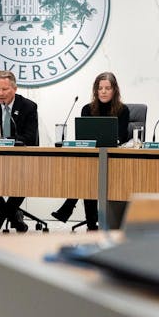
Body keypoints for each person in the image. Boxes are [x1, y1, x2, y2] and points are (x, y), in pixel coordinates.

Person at [51, 72, 130, 230]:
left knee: (89, 175)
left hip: (114, 159)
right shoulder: (87, 109)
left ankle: (84, 218)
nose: (103, 91)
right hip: (93, 157)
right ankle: (89, 221)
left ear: (114, 90)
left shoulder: (123, 110)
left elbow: (121, 137)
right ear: (96, 90)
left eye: (107, 88)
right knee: (89, 172)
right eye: (100, 88)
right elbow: (84, 137)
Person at [0, 70, 38, 233]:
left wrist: (7, 141)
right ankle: (13, 214)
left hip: (21, 159)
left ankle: (1, 215)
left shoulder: (28, 107)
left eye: (4, 89)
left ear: (15, 88)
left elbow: (30, 137)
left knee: (25, 179)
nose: (0, 93)